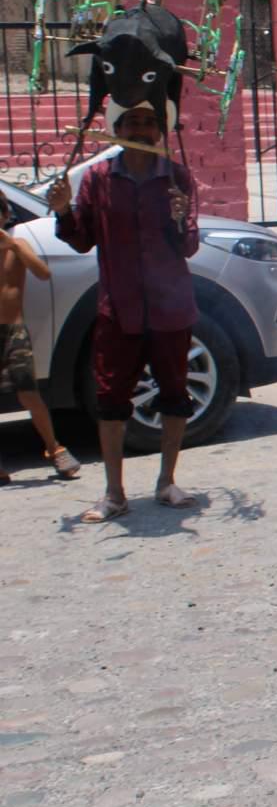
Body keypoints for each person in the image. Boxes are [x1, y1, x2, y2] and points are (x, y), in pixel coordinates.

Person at [48, 101, 200, 521]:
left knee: (174, 395)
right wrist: (63, 210)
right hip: (119, 307)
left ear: (159, 131)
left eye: (148, 122)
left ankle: (167, 480)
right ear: (117, 127)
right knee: (111, 400)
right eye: (131, 121)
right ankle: (114, 494)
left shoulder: (177, 177)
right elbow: (82, 239)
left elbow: (188, 246)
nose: (139, 128)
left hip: (170, 309)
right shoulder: (97, 178)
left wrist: (179, 218)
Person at [0, 216, 82, 484]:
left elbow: (43, 273)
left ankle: (54, 448)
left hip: (13, 330)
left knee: (28, 392)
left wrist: (12, 245)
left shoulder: (18, 244)